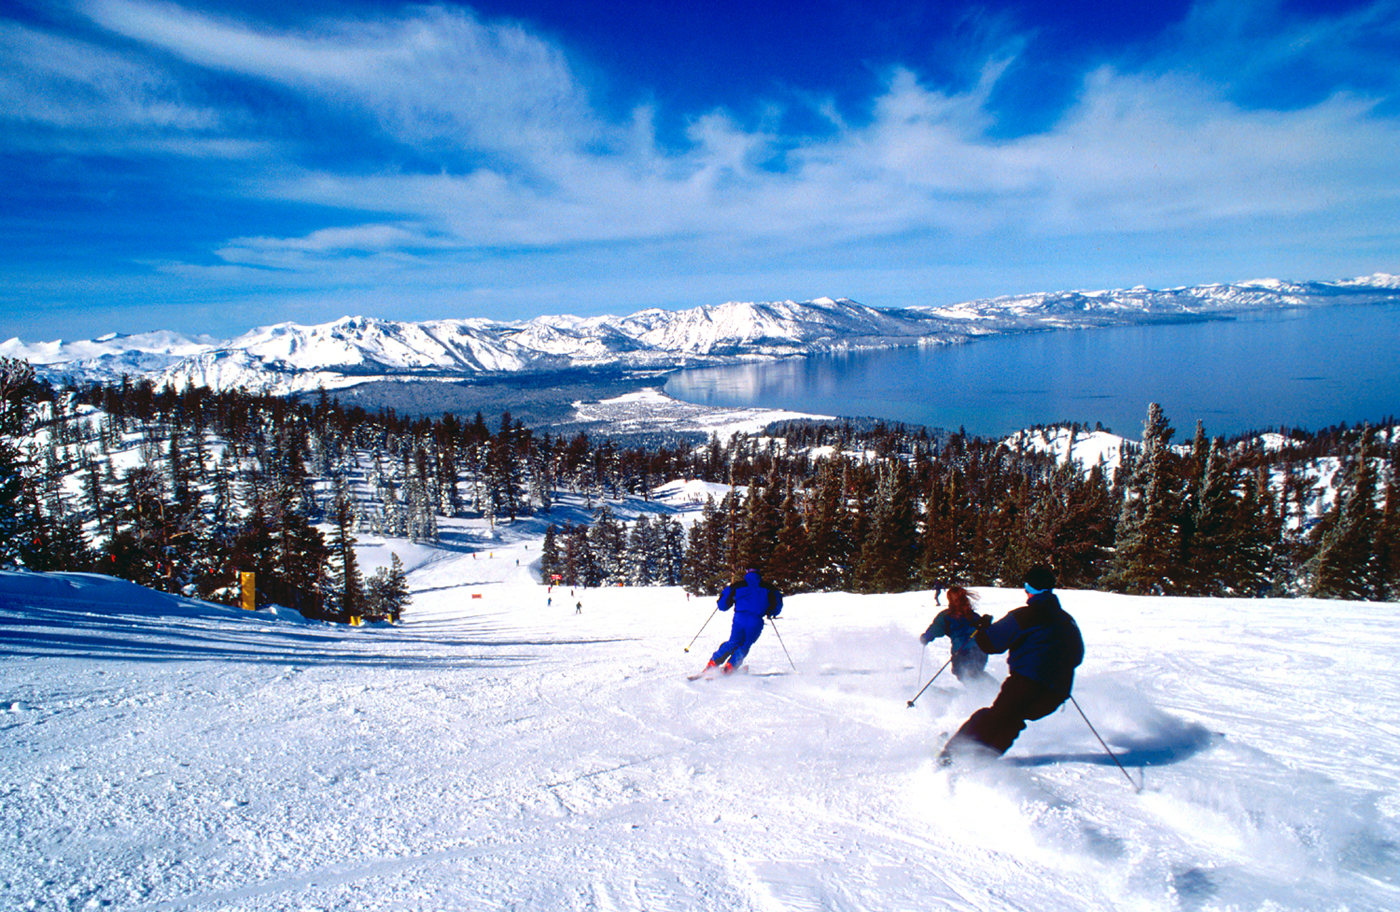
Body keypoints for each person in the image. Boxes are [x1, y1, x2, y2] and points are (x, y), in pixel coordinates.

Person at [939, 565, 1083, 765]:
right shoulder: (1067, 620)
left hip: (1027, 684)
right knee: (1011, 720)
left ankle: (951, 756)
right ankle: (982, 760)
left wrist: (982, 629)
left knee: (993, 718)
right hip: (1058, 691)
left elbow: (990, 644)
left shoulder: (1024, 616)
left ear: (1029, 589)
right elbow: (1077, 656)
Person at [703, 568, 783, 674]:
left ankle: (713, 662)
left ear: (747, 573)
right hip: (755, 620)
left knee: (733, 642)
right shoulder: (769, 588)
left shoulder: (738, 586)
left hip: (739, 619)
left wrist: (722, 603)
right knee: (745, 645)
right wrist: (770, 611)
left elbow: (723, 603)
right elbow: (777, 605)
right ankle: (731, 666)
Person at [919, 586, 995, 686]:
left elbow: (936, 629)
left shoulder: (946, 616)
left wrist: (926, 637)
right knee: (974, 673)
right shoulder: (973, 615)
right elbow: (986, 630)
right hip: (980, 651)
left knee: (964, 673)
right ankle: (991, 690)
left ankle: (986, 693)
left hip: (962, 651)